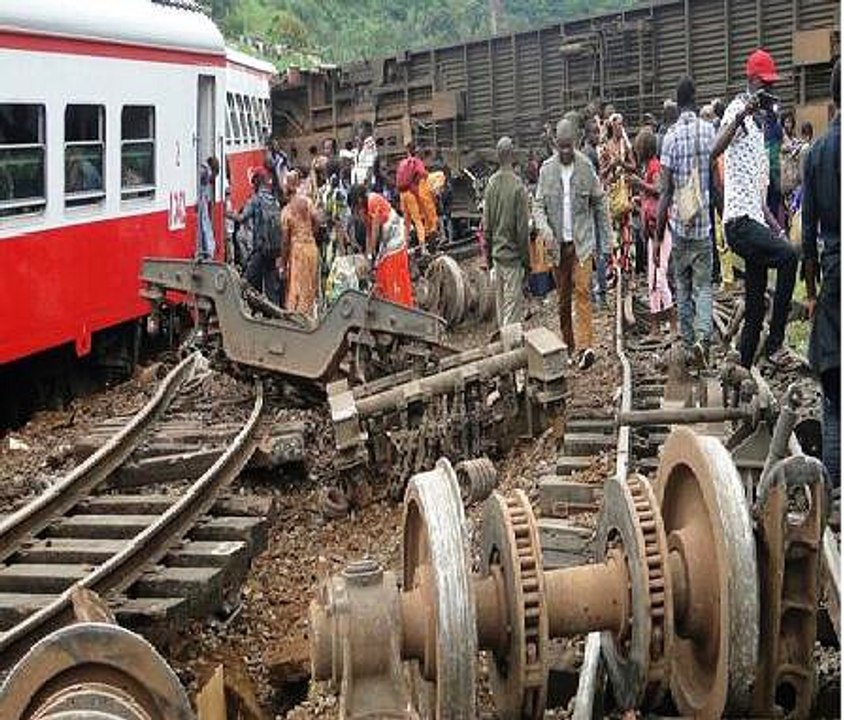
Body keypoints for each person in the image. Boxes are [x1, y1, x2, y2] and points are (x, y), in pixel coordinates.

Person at [712, 48, 797, 369]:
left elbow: (757, 193)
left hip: (754, 221)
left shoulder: (761, 127)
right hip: (739, 223)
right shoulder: (738, 110)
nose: (770, 92)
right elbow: (714, 149)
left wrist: (777, 227)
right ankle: (775, 344)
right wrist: (742, 113)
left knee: (754, 306)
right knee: (789, 258)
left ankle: (744, 371)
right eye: (766, 86)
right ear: (752, 82)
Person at [535, 118, 612, 370]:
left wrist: (606, 245)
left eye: (569, 146)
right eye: (562, 147)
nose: (566, 151)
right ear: (556, 144)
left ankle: (585, 347)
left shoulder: (585, 167)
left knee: (583, 292)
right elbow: (537, 205)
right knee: (563, 301)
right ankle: (568, 347)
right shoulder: (546, 170)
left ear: (575, 142)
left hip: (582, 244)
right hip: (558, 248)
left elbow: (600, 204)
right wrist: (544, 229)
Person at [656, 75, 716, 365]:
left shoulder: (669, 138)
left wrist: (657, 236)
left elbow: (665, 192)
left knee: (682, 285)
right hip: (703, 225)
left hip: (680, 226)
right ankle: (705, 338)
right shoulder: (709, 130)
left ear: (677, 103)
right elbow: (716, 181)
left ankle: (690, 344)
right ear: (696, 97)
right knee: (704, 286)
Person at [802, 59, 840, 490]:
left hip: (832, 277)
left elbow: (806, 233)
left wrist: (810, 293)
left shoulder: (817, 154)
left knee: (833, 397)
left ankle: (833, 493)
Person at [483, 136, 530, 329]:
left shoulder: (491, 185)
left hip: (497, 257)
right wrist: (527, 262)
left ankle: (503, 348)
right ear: (512, 155)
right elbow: (522, 231)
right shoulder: (518, 187)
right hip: (512, 259)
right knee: (512, 313)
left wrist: (488, 258)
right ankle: (510, 353)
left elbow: (487, 226)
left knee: (501, 309)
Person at [633, 128, 676, 337]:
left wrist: (640, 185)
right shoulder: (647, 167)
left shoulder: (654, 166)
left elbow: (659, 190)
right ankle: (655, 327)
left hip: (661, 229)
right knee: (652, 279)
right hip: (651, 230)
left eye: (638, 146)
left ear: (644, 148)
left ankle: (673, 324)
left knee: (659, 277)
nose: (636, 150)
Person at [348, 183, 414, 307]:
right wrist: (367, 257)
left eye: (355, 206)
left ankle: (399, 303)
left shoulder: (373, 201)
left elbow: (375, 231)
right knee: (381, 269)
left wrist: (373, 256)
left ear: (359, 200)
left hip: (395, 235)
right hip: (386, 239)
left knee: (390, 267)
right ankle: (386, 301)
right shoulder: (364, 211)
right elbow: (368, 234)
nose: (355, 211)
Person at [227, 167, 283, 305]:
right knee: (271, 285)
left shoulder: (255, 200)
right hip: (274, 249)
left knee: (247, 280)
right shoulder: (273, 199)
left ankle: (245, 311)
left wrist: (225, 213)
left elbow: (241, 218)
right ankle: (274, 315)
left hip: (260, 249)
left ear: (256, 182)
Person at [600, 113, 636, 276]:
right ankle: (615, 270)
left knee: (626, 231)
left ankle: (628, 267)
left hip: (624, 193)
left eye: (622, 124)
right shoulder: (605, 146)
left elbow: (634, 166)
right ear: (612, 126)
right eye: (618, 124)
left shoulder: (625, 145)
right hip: (612, 194)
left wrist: (621, 163)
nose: (621, 127)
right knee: (613, 233)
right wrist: (610, 167)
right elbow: (601, 173)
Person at [281, 171, 320, 317]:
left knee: (296, 288)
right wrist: (311, 234)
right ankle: (310, 317)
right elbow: (317, 220)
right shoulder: (308, 202)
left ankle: (298, 321)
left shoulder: (286, 211)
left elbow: (285, 241)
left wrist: (282, 264)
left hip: (297, 252)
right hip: (311, 247)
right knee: (310, 286)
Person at [583, 117, 609, 305]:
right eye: (595, 132)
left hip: (588, 207)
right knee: (599, 250)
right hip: (594, 208)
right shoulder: (590, 154)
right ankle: (599, 294)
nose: (598, 136)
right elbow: (595, 184)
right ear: (587, 134)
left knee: (593, 250)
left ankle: (594, 292)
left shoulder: (585, 152)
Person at [397, 142, 438, 248]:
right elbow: (422, 173)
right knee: (418, 221)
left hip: (402, 195)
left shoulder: (402, 162)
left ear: (407, 151)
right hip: (411, 194)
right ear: (416, 151)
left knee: (406, 223)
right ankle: (423, 246)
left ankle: (404, 246)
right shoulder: (416, 161)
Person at [197, 156, 219, 260]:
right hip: (201, 205)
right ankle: (209, 251)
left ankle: (208, 250)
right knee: (204, 224)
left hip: (202, 203)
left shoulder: (202, 169)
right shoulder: (205, 171)